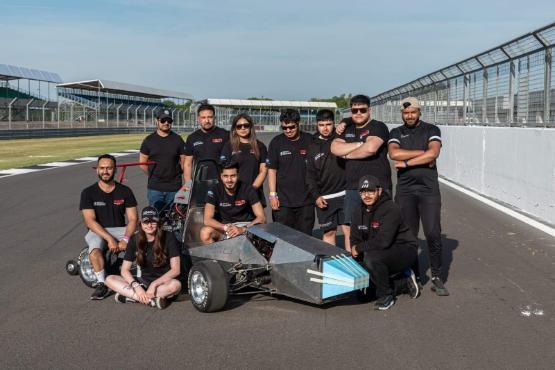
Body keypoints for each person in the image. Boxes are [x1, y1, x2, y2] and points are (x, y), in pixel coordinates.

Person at [388, 97, 449, 296]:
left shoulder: (431, 130)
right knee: (409, 235)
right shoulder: (396, 132)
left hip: (428, 190)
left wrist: (407, 163)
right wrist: (422, 153)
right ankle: (413, 274)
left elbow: (433, 154)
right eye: (406, 113)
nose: (409, 116)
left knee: (432, 232)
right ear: (402, 114)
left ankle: (437, 276)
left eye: (413, 112)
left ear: (419, 112)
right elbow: (394, 154)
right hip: (405, 191)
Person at [350, 175, 420, 311]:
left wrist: (359, 248)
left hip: (404, 249)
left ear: (379, 191)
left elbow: (383, 241)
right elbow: (354, 239)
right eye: (363, 192)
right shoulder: (357, 211)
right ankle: (403, 282)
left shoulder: (390, 209)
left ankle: (386, 296)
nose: (367, 195)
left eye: (371, 191)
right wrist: (357, 256)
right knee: (363, 295)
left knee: (372, 259)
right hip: (378, 250)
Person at [330, 94, 392, 244]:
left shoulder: (378, 126)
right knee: (351, 228)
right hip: (353, 187)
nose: (358, 113)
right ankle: (354, 265)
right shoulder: (347, 128)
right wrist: (359, 144)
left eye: (362, 110)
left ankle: (377, 264)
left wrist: (347, 155)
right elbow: (335, 148)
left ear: (369, 110)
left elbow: (370, 148)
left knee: (379, 227)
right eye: (355, 110)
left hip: (378, 186)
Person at [79, 154, 138, 300]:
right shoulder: (88, 193)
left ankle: (142, 275)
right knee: (95, 251)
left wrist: (125, 239)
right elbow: (89, 221)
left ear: (115, 170)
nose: (105, 171)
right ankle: (101, 284)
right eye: (102, 168)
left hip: (120, 229)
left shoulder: (125, 191)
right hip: (98, 230)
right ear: (97, 170)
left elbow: (133, 219)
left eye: (109, 168)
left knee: (143, 239)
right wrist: (109, 239)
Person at [105, 207, 181, 309]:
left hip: (163, 283)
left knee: (176, 285)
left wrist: (154, 284)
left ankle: (131, 297)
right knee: (109, 279)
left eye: (153, 221)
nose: (149, 225)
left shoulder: (168, 237)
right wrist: (136, 287)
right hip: (142, 282)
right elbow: (124, 270)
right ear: (141, 223)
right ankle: (149, 299)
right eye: (146, 222)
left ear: (158, 222)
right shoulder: (134, 240)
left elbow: (176, 270)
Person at [266, 108, 315, 235]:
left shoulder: (310, 140)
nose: (288, 130)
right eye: (284, 128)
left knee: (305, 238)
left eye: (291, 127)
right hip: (283, 202)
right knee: (284, 238)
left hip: (306, 200)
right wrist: (272, 195)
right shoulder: (276, 142)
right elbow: (272, 170)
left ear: (299, 124)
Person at [306, 109, 349, 249]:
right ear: (316, 125)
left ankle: (355, 265)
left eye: (329, 124)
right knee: (329, 232)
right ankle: (332, 266)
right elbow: (310, 174)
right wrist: (316, 196)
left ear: (334, 124)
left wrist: (345, 121)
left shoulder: (341, 137)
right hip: (325, 197)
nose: (325, 128)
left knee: (349, 230)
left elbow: (356, 120)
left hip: (345, 194)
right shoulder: (312, 146)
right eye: (321, 124)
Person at [200, 162, 266, 244]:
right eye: (226, 176)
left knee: (262, 231)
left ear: (238, 175)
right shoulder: (214, 190)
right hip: (225, 228)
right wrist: (225, 227)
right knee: (205, 233)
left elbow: (262, 218)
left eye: (233, 176)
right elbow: (207, 220)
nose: (229, 180)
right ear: (221, 176)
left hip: (246, 226)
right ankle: (218, 256)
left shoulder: (248, 189)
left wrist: (242, 229)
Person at [139, 108, 187, 212]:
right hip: (155, 188)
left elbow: (184, 162)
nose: (166, 123)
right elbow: (142, 163)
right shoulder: (149, 140)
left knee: (175, 218)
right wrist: (154, 175)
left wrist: (177, 174)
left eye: (169, 121)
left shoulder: (178, 140)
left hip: (174, 187)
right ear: (157, 121)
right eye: (163, 120)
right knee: (156, 219)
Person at [219, 113, 268, 207]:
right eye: (239, 126)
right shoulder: (229, 146)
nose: (243, 128)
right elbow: (223, 170)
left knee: (258, 221)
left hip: (254, 193)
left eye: (246, 125)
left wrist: (252, 190)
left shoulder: (260, 146)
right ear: (235, 129)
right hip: (234, 194)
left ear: (250, 127)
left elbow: (263, 171)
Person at [183, 103, 229, 182]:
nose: (207, 120)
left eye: (210, 117)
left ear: (214, 118)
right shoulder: (192, 137)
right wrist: (188, 183)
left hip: (222, 182)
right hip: (200, 182)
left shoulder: (225, 135)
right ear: (198, 119)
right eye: (203, 117)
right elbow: (187, 163)